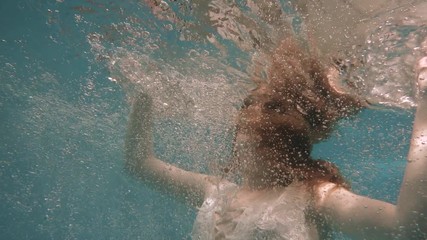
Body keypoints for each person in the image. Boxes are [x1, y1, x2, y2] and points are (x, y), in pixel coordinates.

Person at [124, 39, 427, 239]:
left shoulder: (315, 197)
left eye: (274, 107)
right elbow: (140, 164)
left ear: (298, 130)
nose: (253, 114)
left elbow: (406, 226)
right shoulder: (216, 191)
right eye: (247, 104)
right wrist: (144, 95)